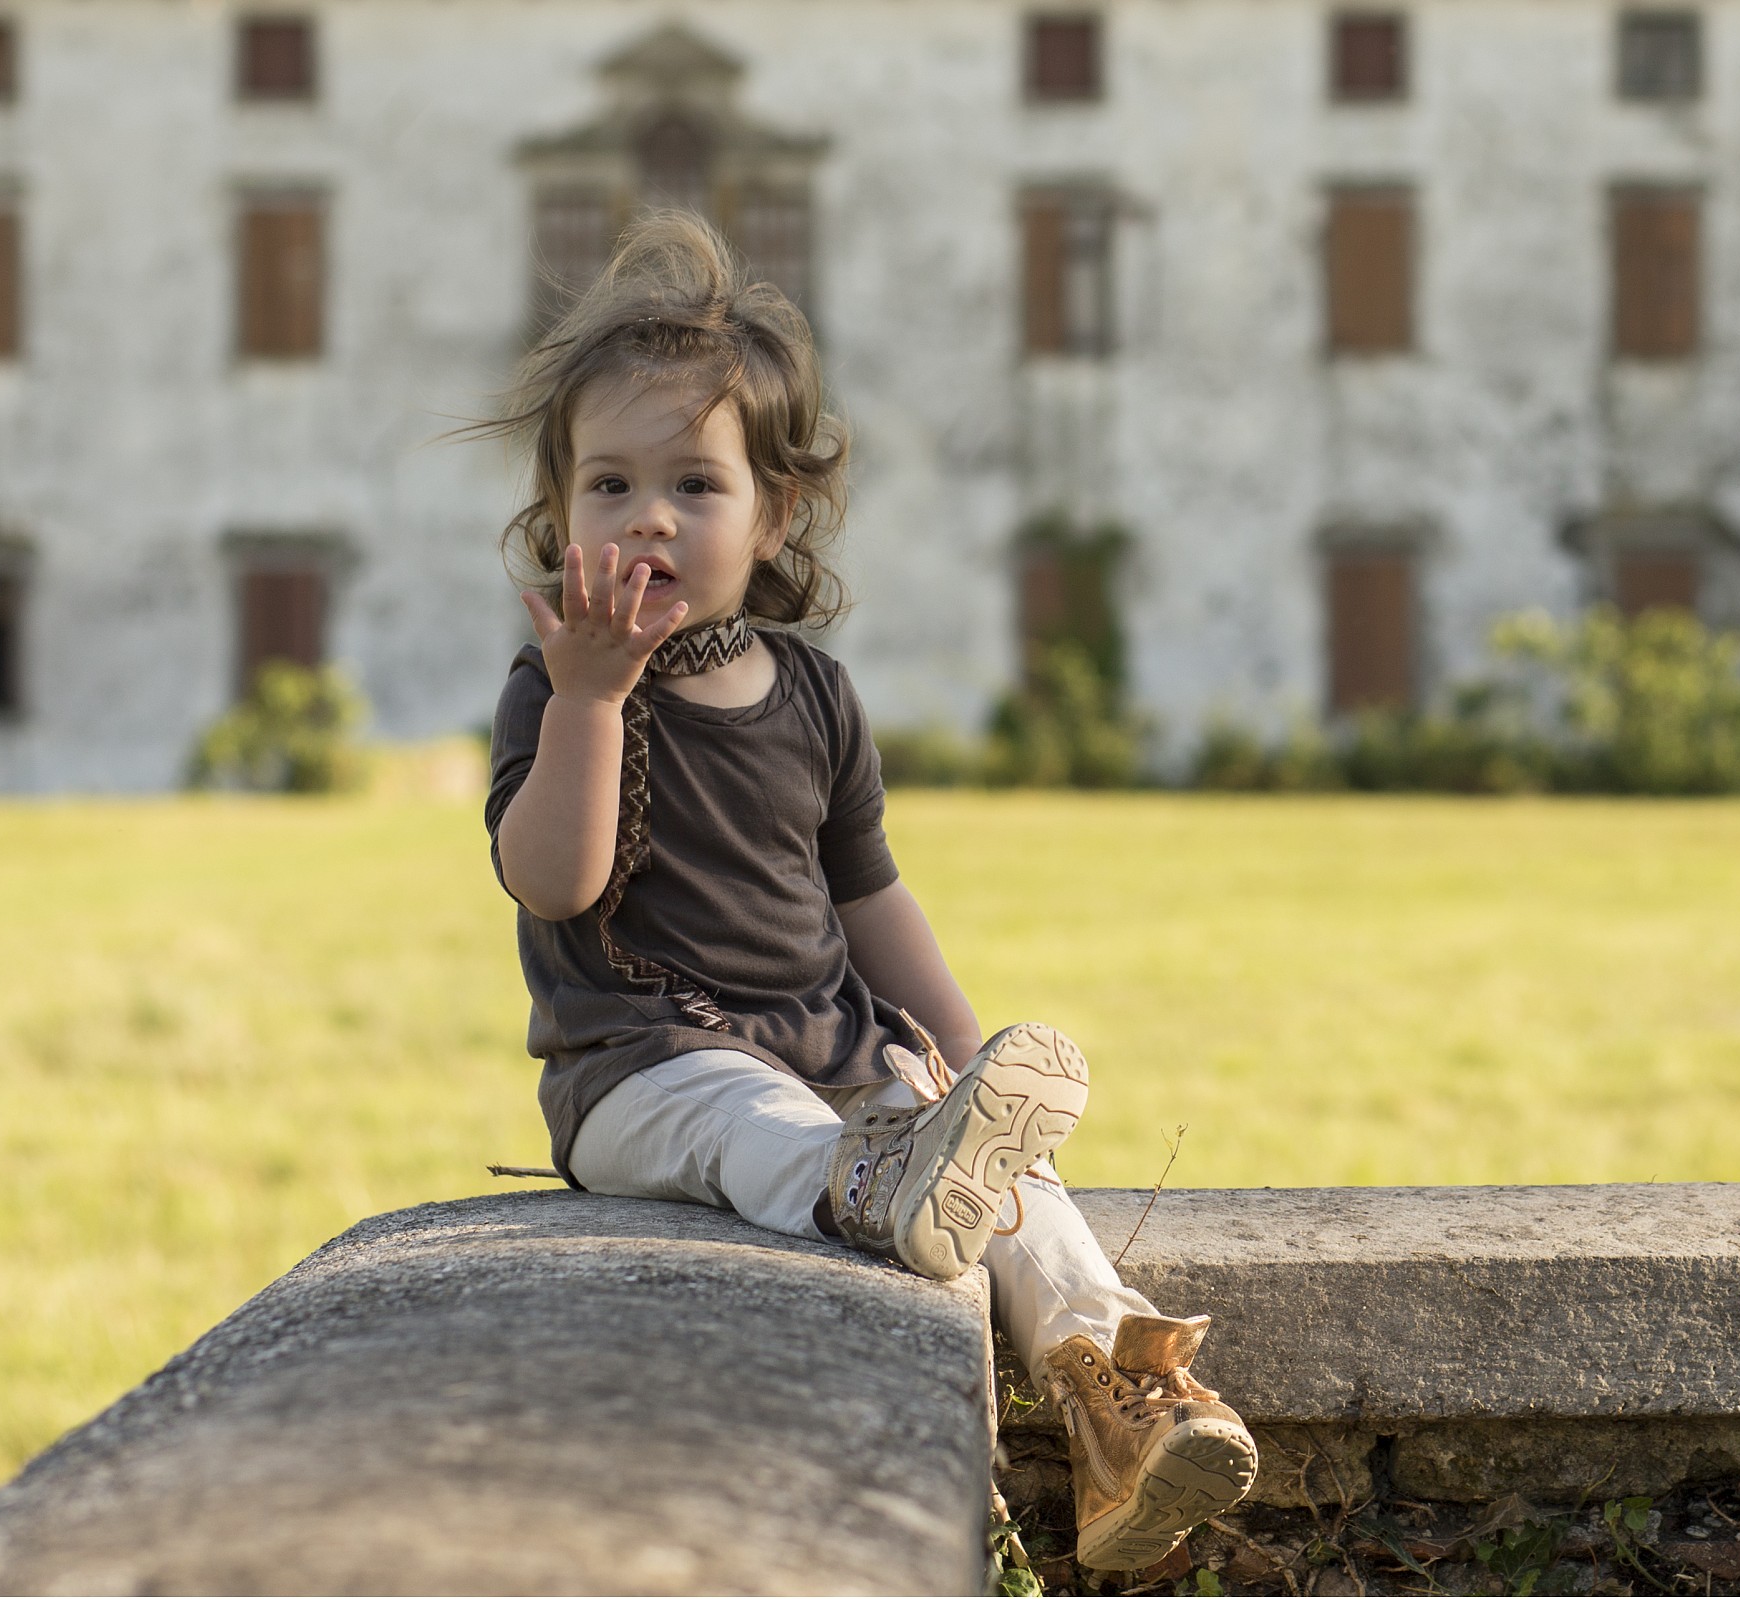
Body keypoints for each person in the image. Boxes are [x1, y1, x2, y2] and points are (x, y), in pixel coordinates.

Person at [478, 211, 1256, 1572]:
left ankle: (1111, 1385)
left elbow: (869, 899)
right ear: (561, 517)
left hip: (842, 1059)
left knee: (1013, 1186)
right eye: (607, 486)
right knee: (753, 1121)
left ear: (775, 515)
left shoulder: (815, 694)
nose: (646, 514)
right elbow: (553, 881)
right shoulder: (558, 690)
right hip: (647, 1075)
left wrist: (962, 1059)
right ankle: (872, 1183)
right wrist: (592, 702)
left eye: (694, 487)